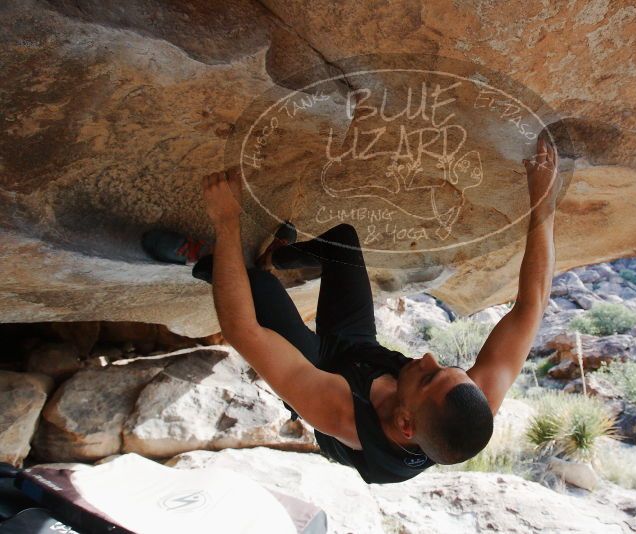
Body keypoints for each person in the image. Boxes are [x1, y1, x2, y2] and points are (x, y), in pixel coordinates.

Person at [143, 134, 560, 484]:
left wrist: (227, 223)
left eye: (429, 375)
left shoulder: (343, 416)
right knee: (343, 241)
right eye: (446, 366)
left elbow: (242, 331)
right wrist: (542, 198)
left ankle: (201, 258)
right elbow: (532, 305)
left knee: (256, 289)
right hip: (359, 351)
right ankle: (279, 257)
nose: (426, 357)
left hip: (321, 371)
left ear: (405, 424)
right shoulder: (466, 404)